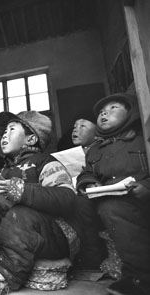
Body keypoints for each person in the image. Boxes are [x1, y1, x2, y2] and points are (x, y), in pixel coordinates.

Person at [0, 111, 101, 295]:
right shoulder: (5, 169)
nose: (4, 134)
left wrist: (22, 191)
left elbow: (65, 197)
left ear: (30, 140)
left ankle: (4, 275)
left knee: (20, 213)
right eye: (4, 131)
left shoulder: (45, 162)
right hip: (15, 231)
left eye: (11, 129)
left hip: (52, 236)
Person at [77, 93, 150, 295]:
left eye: (113, 109)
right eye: (101, 112)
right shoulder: (95, 149)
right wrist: (88, 184)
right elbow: (86, 173)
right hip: (107, 200)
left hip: (139, 198)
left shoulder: (143, 138)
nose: (104, 114)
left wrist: (147, 187)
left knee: (112, 208)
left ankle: (140, 279)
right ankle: (93, 263)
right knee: (80, 204)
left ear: (129, 113)